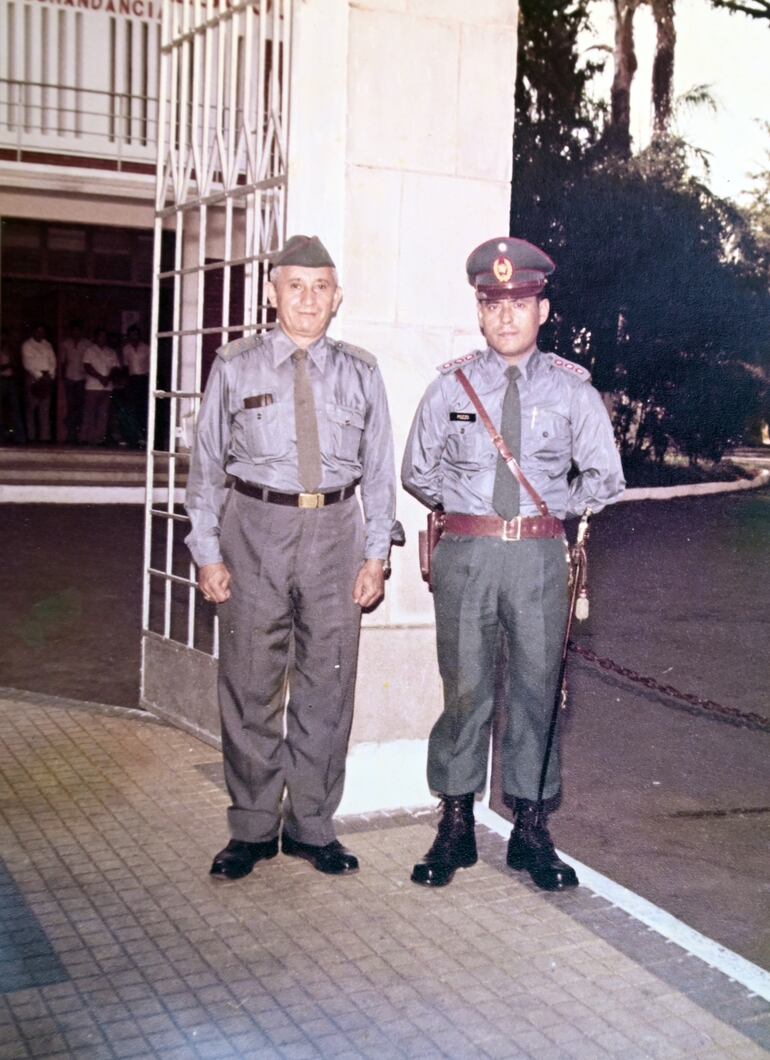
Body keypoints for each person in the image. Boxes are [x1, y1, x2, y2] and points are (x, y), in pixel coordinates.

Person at [402, 236, 625, 890]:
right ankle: (455, 827)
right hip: (466, 555)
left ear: (543, 309)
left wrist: (552, 512)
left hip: (538, 558)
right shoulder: (450, 385)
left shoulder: (573, 393)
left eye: (519, 303)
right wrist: (471, 514)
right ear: (479, 312)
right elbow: (419, 471)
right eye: (492, 304)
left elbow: (605, 479)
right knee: (464, 692)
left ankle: (531, 830)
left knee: (536, 695)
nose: (506, 316)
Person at [186, 235, 397, 881]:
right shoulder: (235, 365)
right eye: (295, 286)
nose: (307, 299)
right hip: (254, 528)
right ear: (272, 293)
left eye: (321, 287)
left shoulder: (361, 371)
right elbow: (204, 472)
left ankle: (311, 825)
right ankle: (251, 829)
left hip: (336, 530)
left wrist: (374, 555)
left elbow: (381, 472)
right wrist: (207, 551)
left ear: (337, 298)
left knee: (326, 687)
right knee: (249, 681)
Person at [80, 329, 119, 446]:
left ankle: (99, 438)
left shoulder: (111, 352)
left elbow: (115, 367)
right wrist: (100, 377)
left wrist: (108, 378)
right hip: (92, 386)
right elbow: (87, 366)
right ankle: (86, 437)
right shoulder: (89, 350)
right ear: (96, 338)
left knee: (103, 413)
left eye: (104, 336)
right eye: (100, 336)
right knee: (89, 412)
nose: (103, 339)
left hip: (107, 387)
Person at [21, 325, 56, 443]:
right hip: (34, 377)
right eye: (38, 331)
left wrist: (50, 375)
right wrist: (40, 376)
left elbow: (53, 361)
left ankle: (44, 437)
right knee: (31, 408)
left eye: (42, 331)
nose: (40, 333)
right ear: (33, 332)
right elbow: (28, 364)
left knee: (44, 409)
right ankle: (31, 436)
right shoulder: (27, 345)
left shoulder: (48, 344)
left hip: (47, 378)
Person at [59, 320, 90, 444]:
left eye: (78, 330)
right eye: (74, 330)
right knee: (71, 406)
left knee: (81, 407)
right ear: (71, 331)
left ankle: (79, 434)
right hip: (70, 378)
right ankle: (70, 434)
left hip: (82, 379)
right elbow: (62, 362)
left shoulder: (87, 344)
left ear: (81, 331)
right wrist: (62, 378)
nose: (76, 332)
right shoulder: (65, 344)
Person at [122, 324, 150, 447]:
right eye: (131, 334)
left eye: (136, 334)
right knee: (131, 408)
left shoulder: (146, 347)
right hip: (132, 379)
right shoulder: (126, 348)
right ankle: (132, 437)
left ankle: (144, 436)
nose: (134, 337)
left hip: (144, 379)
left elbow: (151, 365)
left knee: (142, 408)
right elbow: (125, 365)